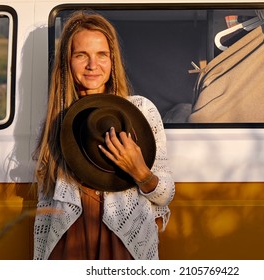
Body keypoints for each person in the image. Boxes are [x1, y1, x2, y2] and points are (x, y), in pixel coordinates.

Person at [32, 11, 175, 260]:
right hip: (69, 241)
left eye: (102, 55)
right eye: (81, 55)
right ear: (67, 61)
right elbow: (45, 208)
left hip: (125, 242)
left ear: (112, 60)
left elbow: (165, 195)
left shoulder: (140, 112)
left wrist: (141, 172)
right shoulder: (57, 120)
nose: (92, 65)